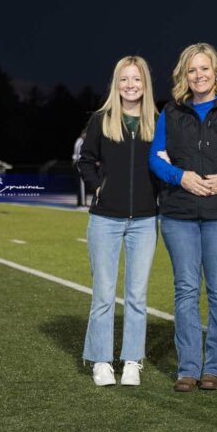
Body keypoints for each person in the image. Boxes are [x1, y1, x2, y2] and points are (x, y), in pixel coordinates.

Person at [149, 43, 217, 392]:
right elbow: (155, 159)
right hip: (179, 214)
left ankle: (215, 368)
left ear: (216, 71)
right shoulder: (171, 112)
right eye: (192, 70)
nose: (199, 75)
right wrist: (182, 177)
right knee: (186, 291)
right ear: (184, 75)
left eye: (204, 69)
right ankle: (188, 368)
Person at [77, 56, 160, 386]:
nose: (130, 85)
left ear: (145, 84)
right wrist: (98, 187)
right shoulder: (101, 120)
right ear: (116, 83)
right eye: (124, 79)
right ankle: (100, 360)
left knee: (137, 296)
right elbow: (85, 162)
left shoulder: (156, 121)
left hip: (144, 220)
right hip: (105, 219)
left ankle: (131, 361)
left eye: (136, 79)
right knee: (103, 294)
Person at [72, 130, 87, 207]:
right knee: (82, 184)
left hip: (77, 162)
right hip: (79, 163)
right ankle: (82, 203)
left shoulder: (79, 140)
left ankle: (80, 202)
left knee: (81, 184)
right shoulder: (81, 141)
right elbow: (79, 155)